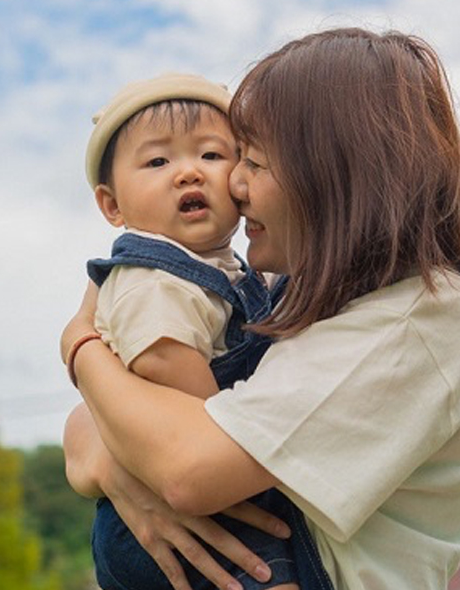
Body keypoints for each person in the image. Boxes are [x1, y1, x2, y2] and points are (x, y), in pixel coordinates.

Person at [62, 27, 460, 590]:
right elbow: (84, 429)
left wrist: (79, 344)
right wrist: (113, 464)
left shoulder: (419, 317)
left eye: (252, 161)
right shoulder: (296, 293)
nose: (234, 184)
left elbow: (186, 469)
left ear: (333, 174)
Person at [79, 73, 300, 590]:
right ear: (112, 206)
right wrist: (218, 430)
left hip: (189, 497)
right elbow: (161, 358)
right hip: (162, 514)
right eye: (158, 162)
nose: (188, 174)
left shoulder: (225, 271)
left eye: (211, 155)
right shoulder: (152, 278)